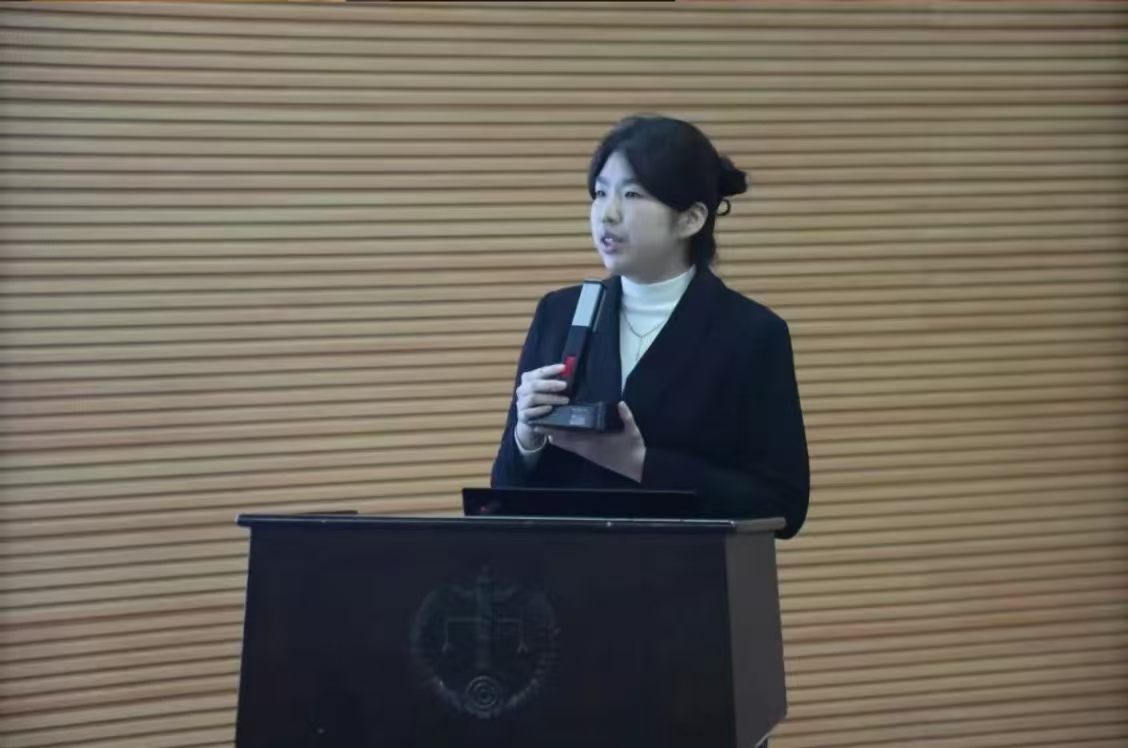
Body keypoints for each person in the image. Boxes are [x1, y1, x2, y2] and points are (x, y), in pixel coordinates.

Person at [490, 114, 809, 539]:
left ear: (690, 219)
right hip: (569, 571)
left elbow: (783, 505)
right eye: (600, 193)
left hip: (687, 573)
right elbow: (502, 497)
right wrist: (526, 438)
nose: (607, 215)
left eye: (632, 194)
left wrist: (641, 464)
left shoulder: (750, 333)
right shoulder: (559, 312)